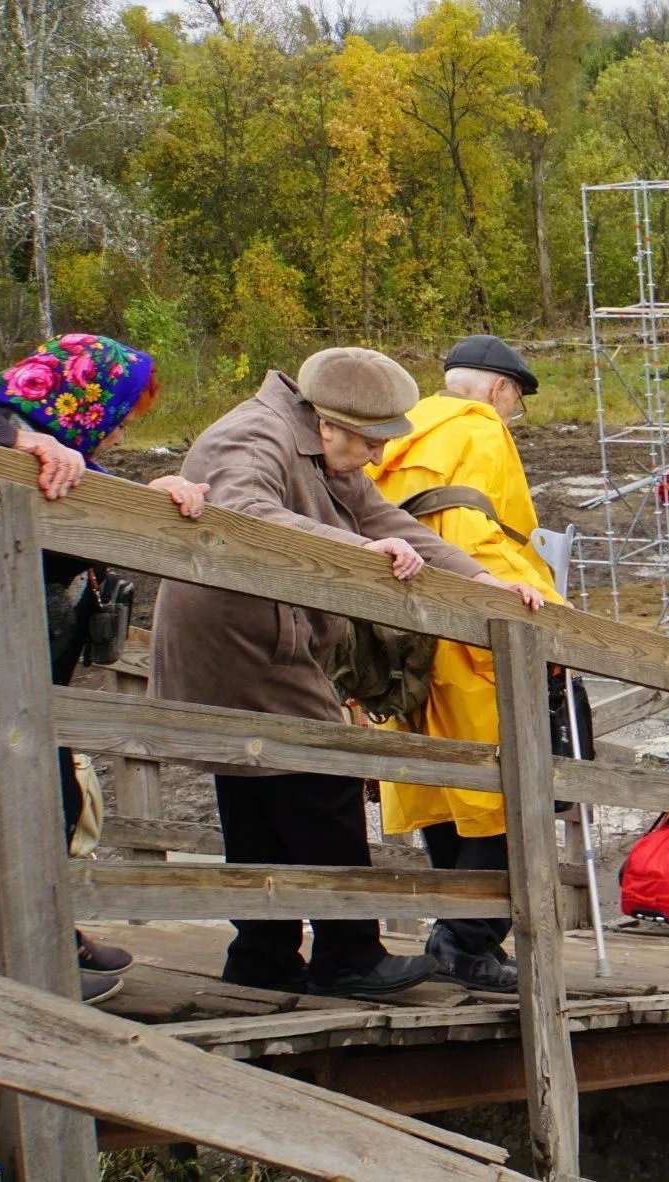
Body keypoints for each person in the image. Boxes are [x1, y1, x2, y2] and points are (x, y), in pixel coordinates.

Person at [152, 347, 543, 998]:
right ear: (329, 423)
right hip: (242, 638)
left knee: (259, 800)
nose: (373, 458)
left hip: (264, 633)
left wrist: (483, 582)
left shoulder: (320, 443)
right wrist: (360, 552)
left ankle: (264, 956)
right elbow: (244, 512)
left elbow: (387, 519)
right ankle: (348, 954)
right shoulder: (254, 434)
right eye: (368, 443)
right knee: (323, 780)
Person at [0, 333, 206, 1004]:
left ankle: (50, 938)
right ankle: (28, 957)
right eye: (122, 411)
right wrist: (20, 442)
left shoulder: (61, 453)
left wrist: (151, 494)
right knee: (13, 797)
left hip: (29, 676)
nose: (123, 426)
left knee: (50, 797)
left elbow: (81, 485)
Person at [367, 335, 563, 991]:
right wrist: (551, 610)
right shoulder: (477, 429)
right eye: (516, 404)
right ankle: (465, 942)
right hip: (466, 642)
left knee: (447, 793)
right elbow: (481, 536)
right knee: (502, 794)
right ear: (502, 390)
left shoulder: (397, 433)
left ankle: (461, 935)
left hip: (398, 644)